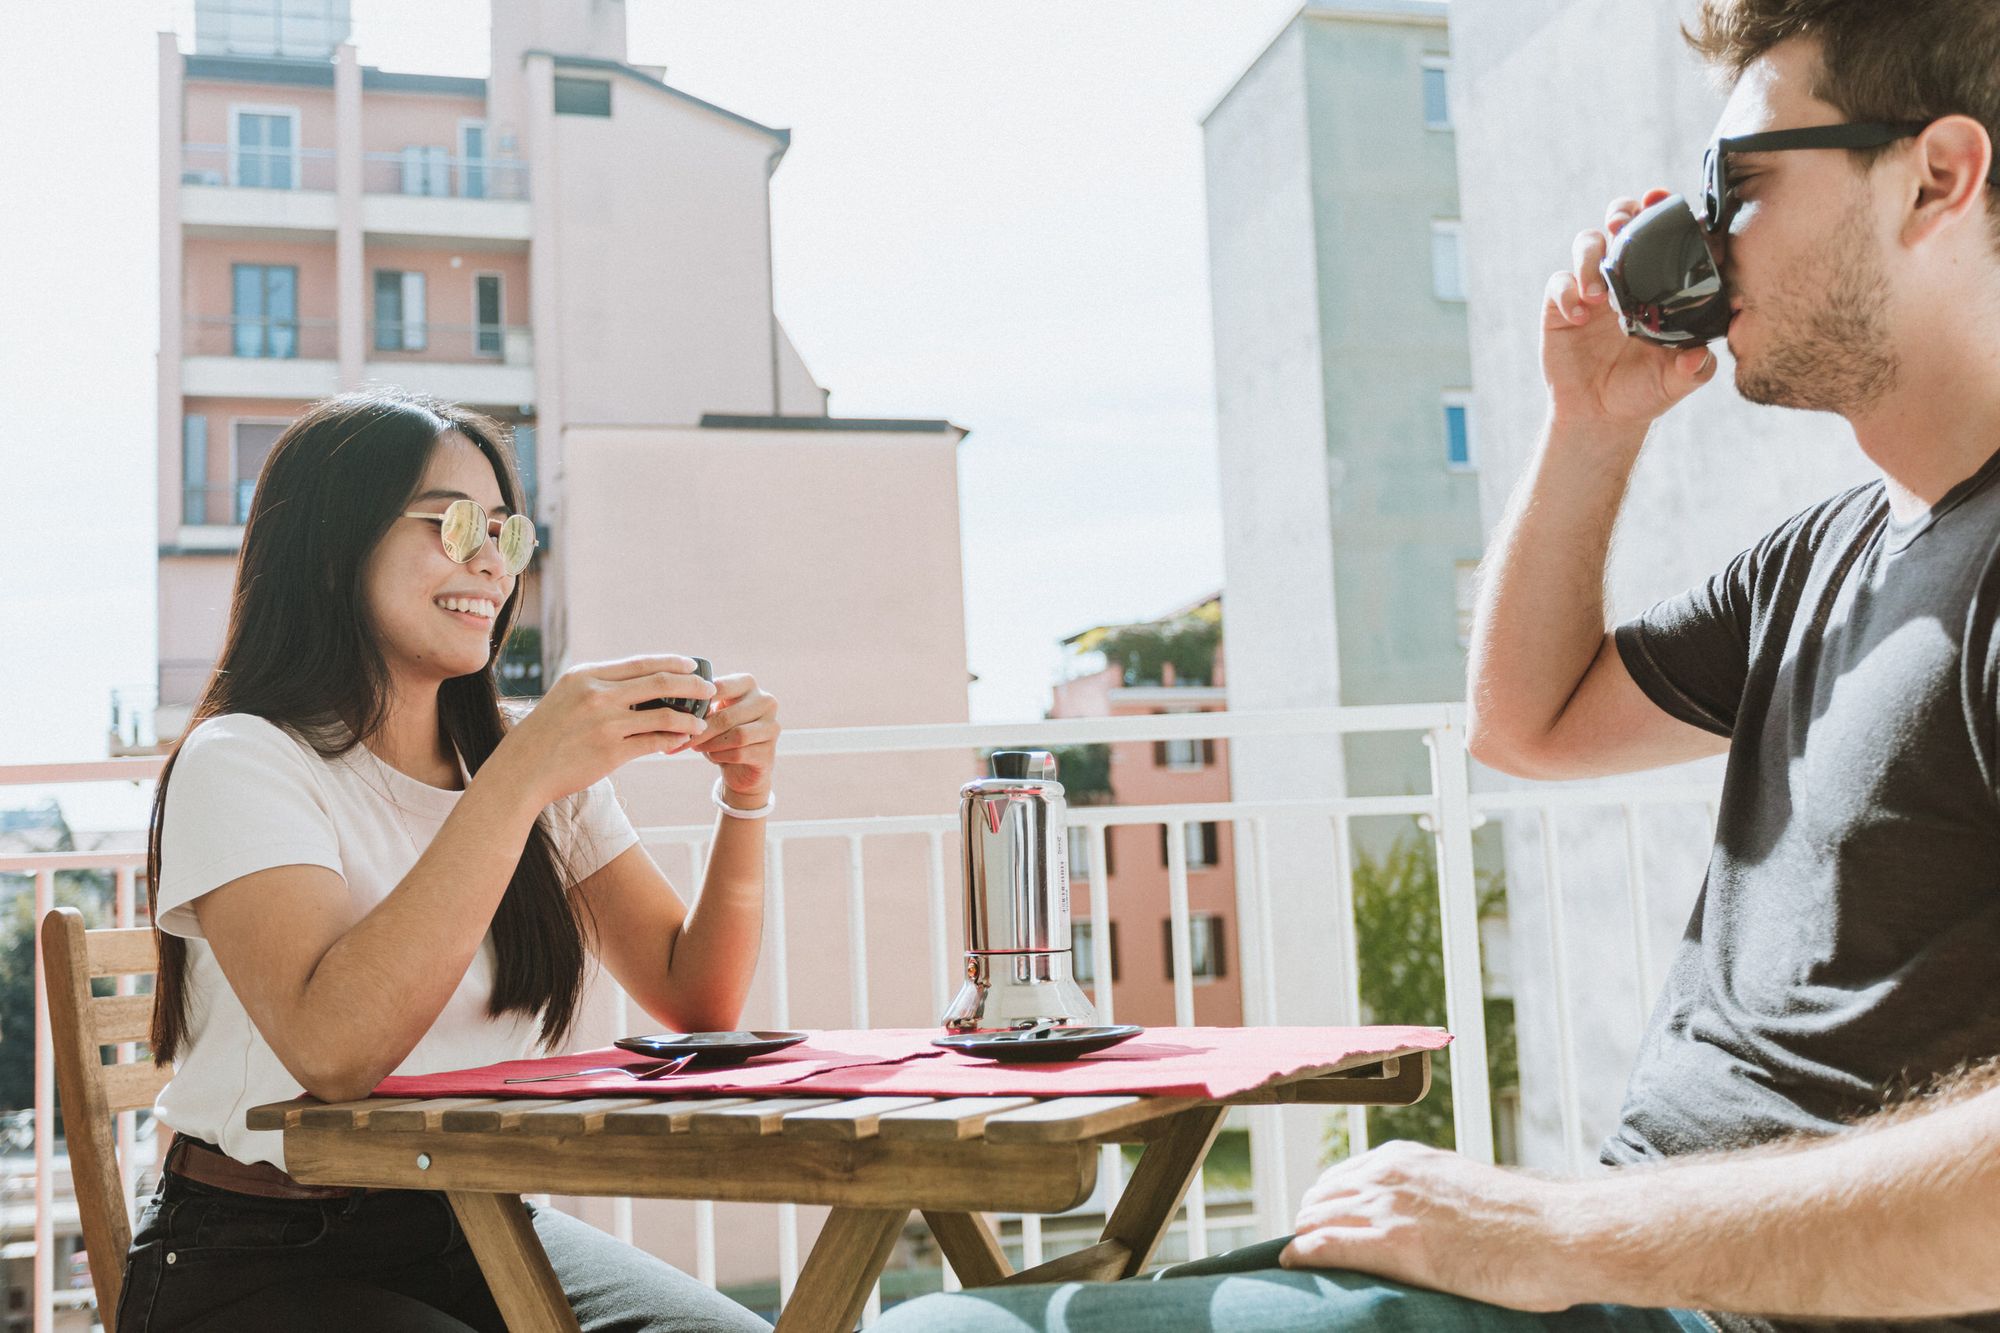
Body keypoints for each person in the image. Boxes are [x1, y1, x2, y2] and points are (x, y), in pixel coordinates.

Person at [875, 0, 2000, 1329]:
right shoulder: (1825, 554)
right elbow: (1527, 722)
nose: (1700, 237)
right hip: (1631, 1274)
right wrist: (1590, 423)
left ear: (1934, 179)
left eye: (1738, 184)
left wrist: (1564, 1228)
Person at [117, 390, 778, 1332]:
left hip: (474, 1219)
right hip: (257, 1254)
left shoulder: (518, 757)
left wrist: (745, 795)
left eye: (508, 535)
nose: (489, 563)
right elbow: (336, 1052)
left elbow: (695, 997)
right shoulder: (247, 758)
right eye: (454, 522)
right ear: (334, 543)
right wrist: (517, 781)